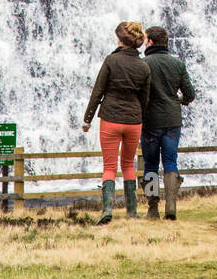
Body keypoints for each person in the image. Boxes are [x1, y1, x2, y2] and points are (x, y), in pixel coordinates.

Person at [81, 21, 151, 224]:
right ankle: (132, 212)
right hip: (134, 121)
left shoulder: (111, 60)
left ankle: (107, 211)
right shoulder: (144, 66)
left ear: (121, 40)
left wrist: (88, 119)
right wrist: (141, 120)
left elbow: (98, 92)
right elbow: (145, 99)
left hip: (110, 119)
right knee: (128, 164)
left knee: (109, 167)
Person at [140, 25, 196, 220]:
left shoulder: (143, 63)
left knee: (151, 164)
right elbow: (190, 94)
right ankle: (171, 206)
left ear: (151, 42)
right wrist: (179, 102)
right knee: (171, 161)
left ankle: (153, 208)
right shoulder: (178, 64)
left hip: (150, 121)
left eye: (146, 40)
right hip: (173, 120)